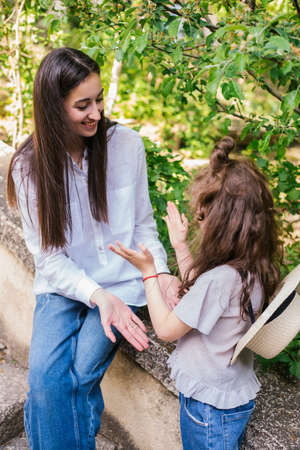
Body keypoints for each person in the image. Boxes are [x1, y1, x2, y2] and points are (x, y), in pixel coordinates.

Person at [6, 47, 179, 449]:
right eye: (82, 105)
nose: (96, 113)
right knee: (46, 383)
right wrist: (98, 297)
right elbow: (48, 258)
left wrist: (161, 274)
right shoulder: (28, 167)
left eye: (99, 99)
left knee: (79, 378)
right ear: (52, 107)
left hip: (122, 283)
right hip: (64, 286)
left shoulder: (127, 145)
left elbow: (143, 226)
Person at [110, 137, 281, 450]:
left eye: (205, 219)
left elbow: (164, 329)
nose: (200, 224)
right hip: (229, 396)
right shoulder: (251, 266)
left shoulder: (219, 280)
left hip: (208, 411)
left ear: (224, 226)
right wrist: (179, 245)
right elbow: (206, 290)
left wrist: (149, 272)